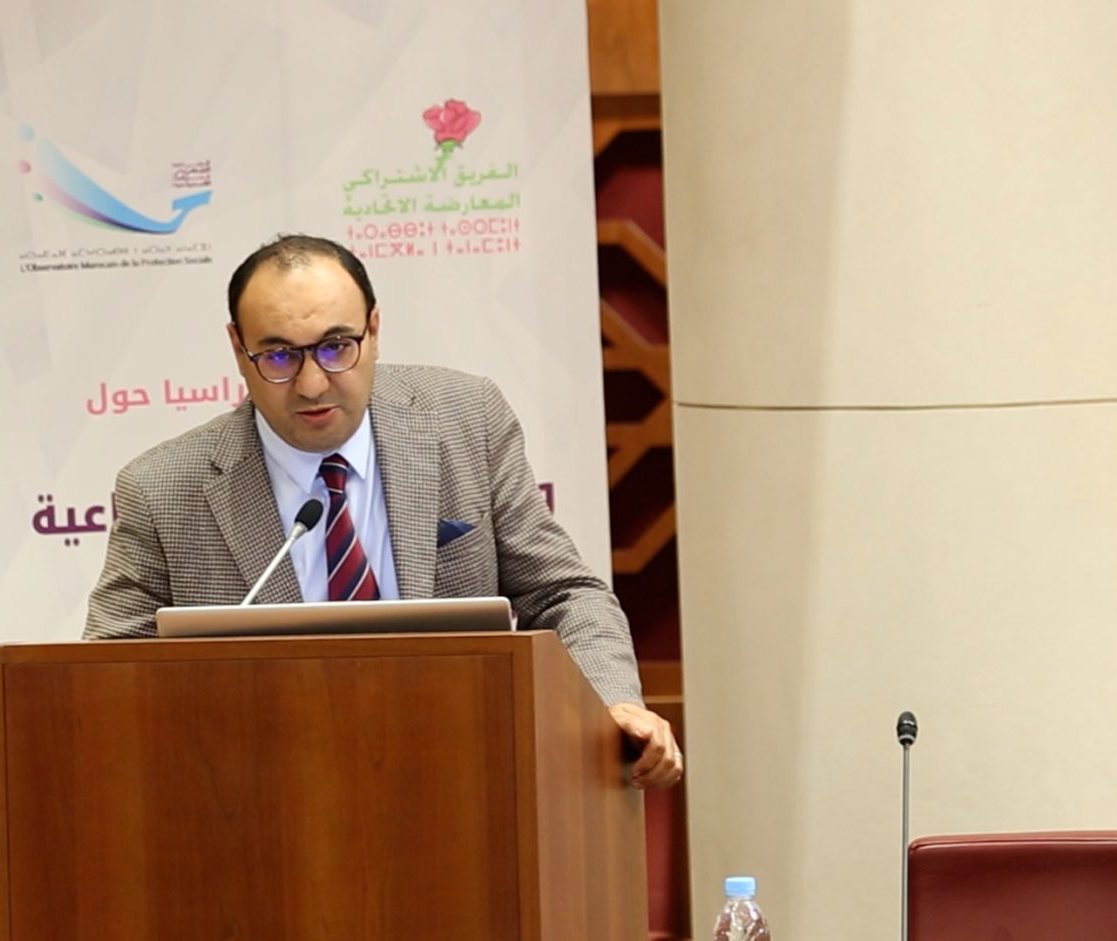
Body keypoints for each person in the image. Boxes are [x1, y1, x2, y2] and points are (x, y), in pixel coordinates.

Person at [85, 234, 683, 789]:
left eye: (335, 348)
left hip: (466, 773)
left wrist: (613, 705)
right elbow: (103, 678)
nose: (312, 384)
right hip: (262, 794)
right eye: (279, 356)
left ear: (373, 330)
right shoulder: (164, 491)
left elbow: (561, 594)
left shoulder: (466, 419)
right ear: (239, 350)